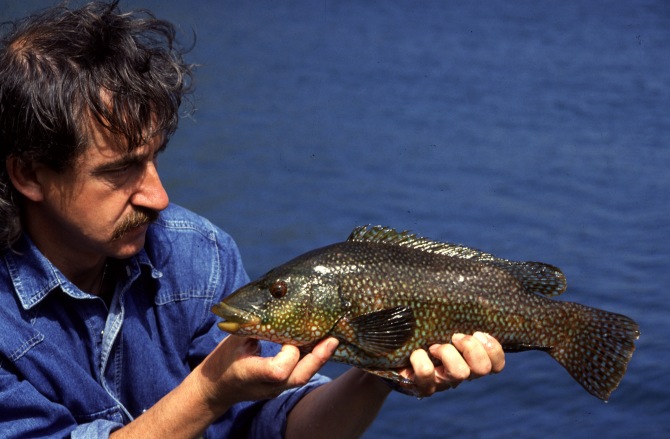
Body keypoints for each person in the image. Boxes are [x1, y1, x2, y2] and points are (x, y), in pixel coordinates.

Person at [0, 1, 505, 438]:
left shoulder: (197, 253)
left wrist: (383, 368)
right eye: (119, 171)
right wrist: (209, 391)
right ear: (29, 174)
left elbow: (278, 426)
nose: (158, 196)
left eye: (156, 157)